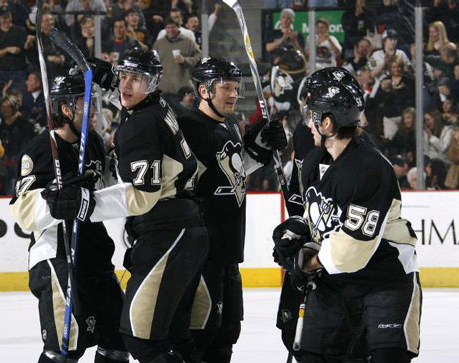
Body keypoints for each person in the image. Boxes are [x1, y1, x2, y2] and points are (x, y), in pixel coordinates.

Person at [42, 49, 209, 363]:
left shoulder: (139, 127)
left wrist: (85, 203)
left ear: (154, 82)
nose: (127, 85)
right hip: (186, 230)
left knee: (140, 339)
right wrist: (108, 85)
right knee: (171, 335)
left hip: (166, 234)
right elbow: (135, 102)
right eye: (123, 77)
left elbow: (143, 195)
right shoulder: (161, 106)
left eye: (137, 79)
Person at [272, 67, 421, 363]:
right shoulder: (315, 161)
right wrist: (299, 231)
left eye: (311, 115)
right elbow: (320, 219)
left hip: (383, 278)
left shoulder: (367, 169)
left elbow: (349, 253)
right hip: (333, 283)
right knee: (314, 355)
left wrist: (307, 261)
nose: (308, 124)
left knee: (383, 356)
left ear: (327, 122)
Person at [9, 74, 129, 363]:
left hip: (95, 253)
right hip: (56, 255)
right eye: (85, 104)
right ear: (65, 110)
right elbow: (23, 213)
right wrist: (51, 202)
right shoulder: (39, 150)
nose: (93, 111)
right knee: (66, 344)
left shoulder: (95, 144)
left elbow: (109, 189)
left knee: (118, 339)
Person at [177, 57, 287, 363]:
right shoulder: (188, 128)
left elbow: (232, 172)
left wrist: (259, 149)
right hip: (201, 256)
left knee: (225, 338)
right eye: (226, 87)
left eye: (236, 87)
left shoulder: (227, 124)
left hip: (227, 253)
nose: (234, 94)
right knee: (198, 340)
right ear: (204, 90)